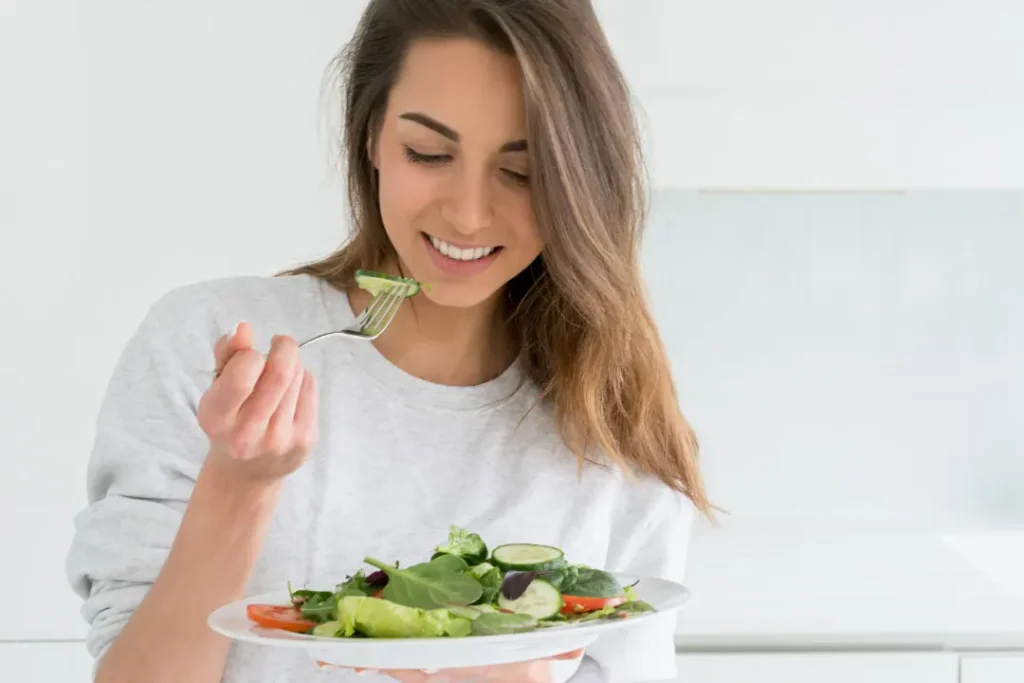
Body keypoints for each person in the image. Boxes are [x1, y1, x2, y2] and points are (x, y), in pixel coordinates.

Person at [66, 0, 712, 681]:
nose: (468, 213)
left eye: (520, 172)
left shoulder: (614, 430)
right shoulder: (206, 341)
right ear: (372, 135)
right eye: (428, 152)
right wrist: (238, 486)